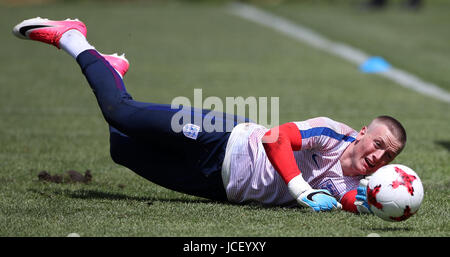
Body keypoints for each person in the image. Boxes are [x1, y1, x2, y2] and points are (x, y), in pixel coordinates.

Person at [12, 17, 406, 214]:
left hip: (219, 187)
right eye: (378, 145)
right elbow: (274, 138)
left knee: (122, 148)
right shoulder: (333, 135)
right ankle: (72, 36)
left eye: (388, 156)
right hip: (223, 136)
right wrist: (302, 189)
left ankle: (111, 69)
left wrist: (390, 203)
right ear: (362, 133)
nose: (378, 156)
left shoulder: (359, 182)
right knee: (119, 113)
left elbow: (359, 201)